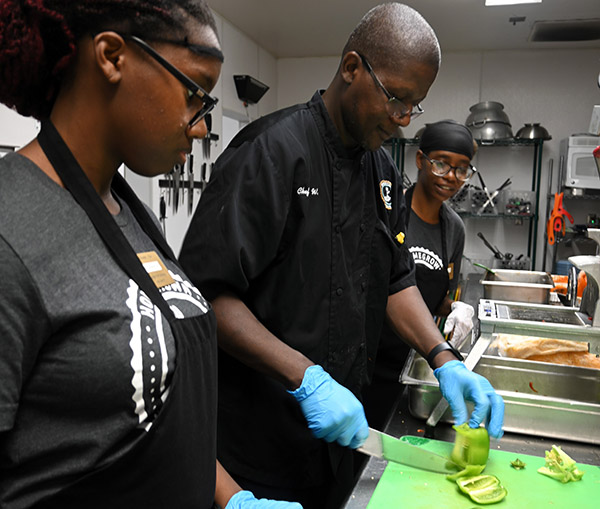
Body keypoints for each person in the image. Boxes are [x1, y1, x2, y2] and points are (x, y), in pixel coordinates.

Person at [179, 4, 504, 509]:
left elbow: (395, 279)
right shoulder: (270, 153)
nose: (401, 121)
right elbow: (205, 296)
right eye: (396, 99)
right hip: (259, 449)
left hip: (342, 443)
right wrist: (303, 376)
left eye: (413, 106)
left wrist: (443, 357)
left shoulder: (381, 172)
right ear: (352, 68)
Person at [0, 1, 301, 508]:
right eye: (194, 94)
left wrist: (233, 500)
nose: (202, 127)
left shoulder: (128, 213)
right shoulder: (12, 232)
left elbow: (158, 421)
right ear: (113, 56)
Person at [363, 120, 478, 430]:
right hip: (369, 362)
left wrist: (454, 307)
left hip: (416, 362)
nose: (451, 177)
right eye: (441, 164)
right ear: (420, 160)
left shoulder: (454, 229)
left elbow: (438, 299)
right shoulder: (388, 213)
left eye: (462, 169)